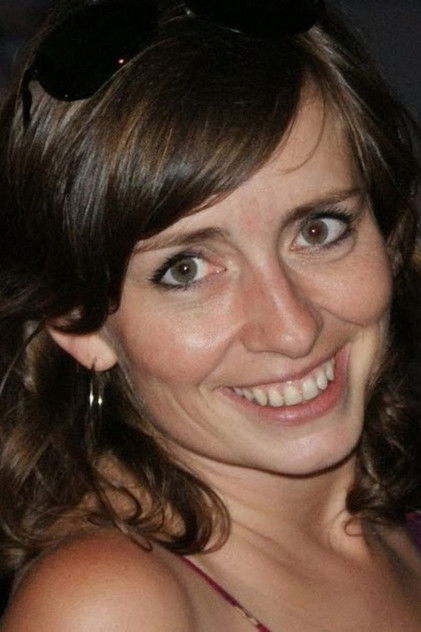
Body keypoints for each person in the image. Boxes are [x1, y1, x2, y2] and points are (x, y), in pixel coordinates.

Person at [0, 0, 420, 629]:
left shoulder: (385, 512)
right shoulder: (109, 607)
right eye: (186, 269)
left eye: (318, 229)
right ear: (76, 320)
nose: (292, 328)